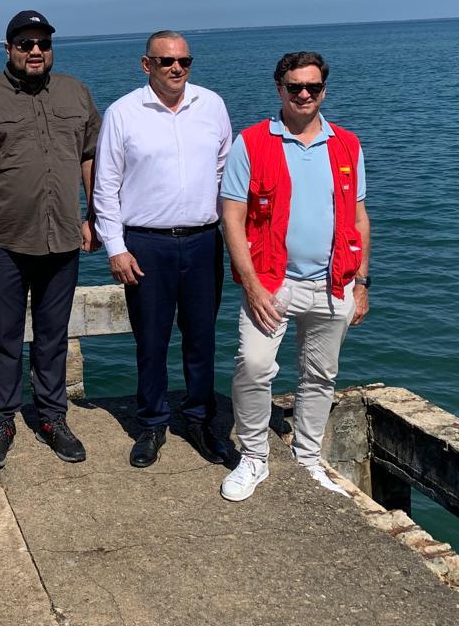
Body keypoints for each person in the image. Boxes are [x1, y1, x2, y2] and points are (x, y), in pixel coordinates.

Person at [219, 51, 371, 502]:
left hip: (333, 283)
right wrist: (251, 285)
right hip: (272, 282)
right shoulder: (251, 143)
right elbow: (232, 218)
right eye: (295, 86)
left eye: (313, 87)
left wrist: (361, 283)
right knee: (253, 367)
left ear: (324, 90)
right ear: (279, 88)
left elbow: (359, 217)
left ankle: (308, 460)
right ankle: (254, 457)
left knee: (321, 375)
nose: (304, 94)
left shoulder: (347, 144)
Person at [0, 10, 101, 467]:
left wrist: (94, 215)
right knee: (5, 337)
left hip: (63, 238)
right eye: (25, 44)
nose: (35, 51)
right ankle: (2, 420)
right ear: (9, 49)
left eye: (43, 44)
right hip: (6, 242)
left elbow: (90, 155)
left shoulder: (75, 92)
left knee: (54, 336)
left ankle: (53, 417)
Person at [93, 31, 233, 468]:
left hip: (204, 240)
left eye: (184, 61)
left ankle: (199, 420)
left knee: (202, 338)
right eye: (166, 61)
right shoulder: (122, 113)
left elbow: (224, 170)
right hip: (146, 243)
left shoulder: (212, 105)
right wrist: (115, 248)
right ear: (146, 64)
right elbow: (105, 186)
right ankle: (152, 423)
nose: (176, 68)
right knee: (151, 341)